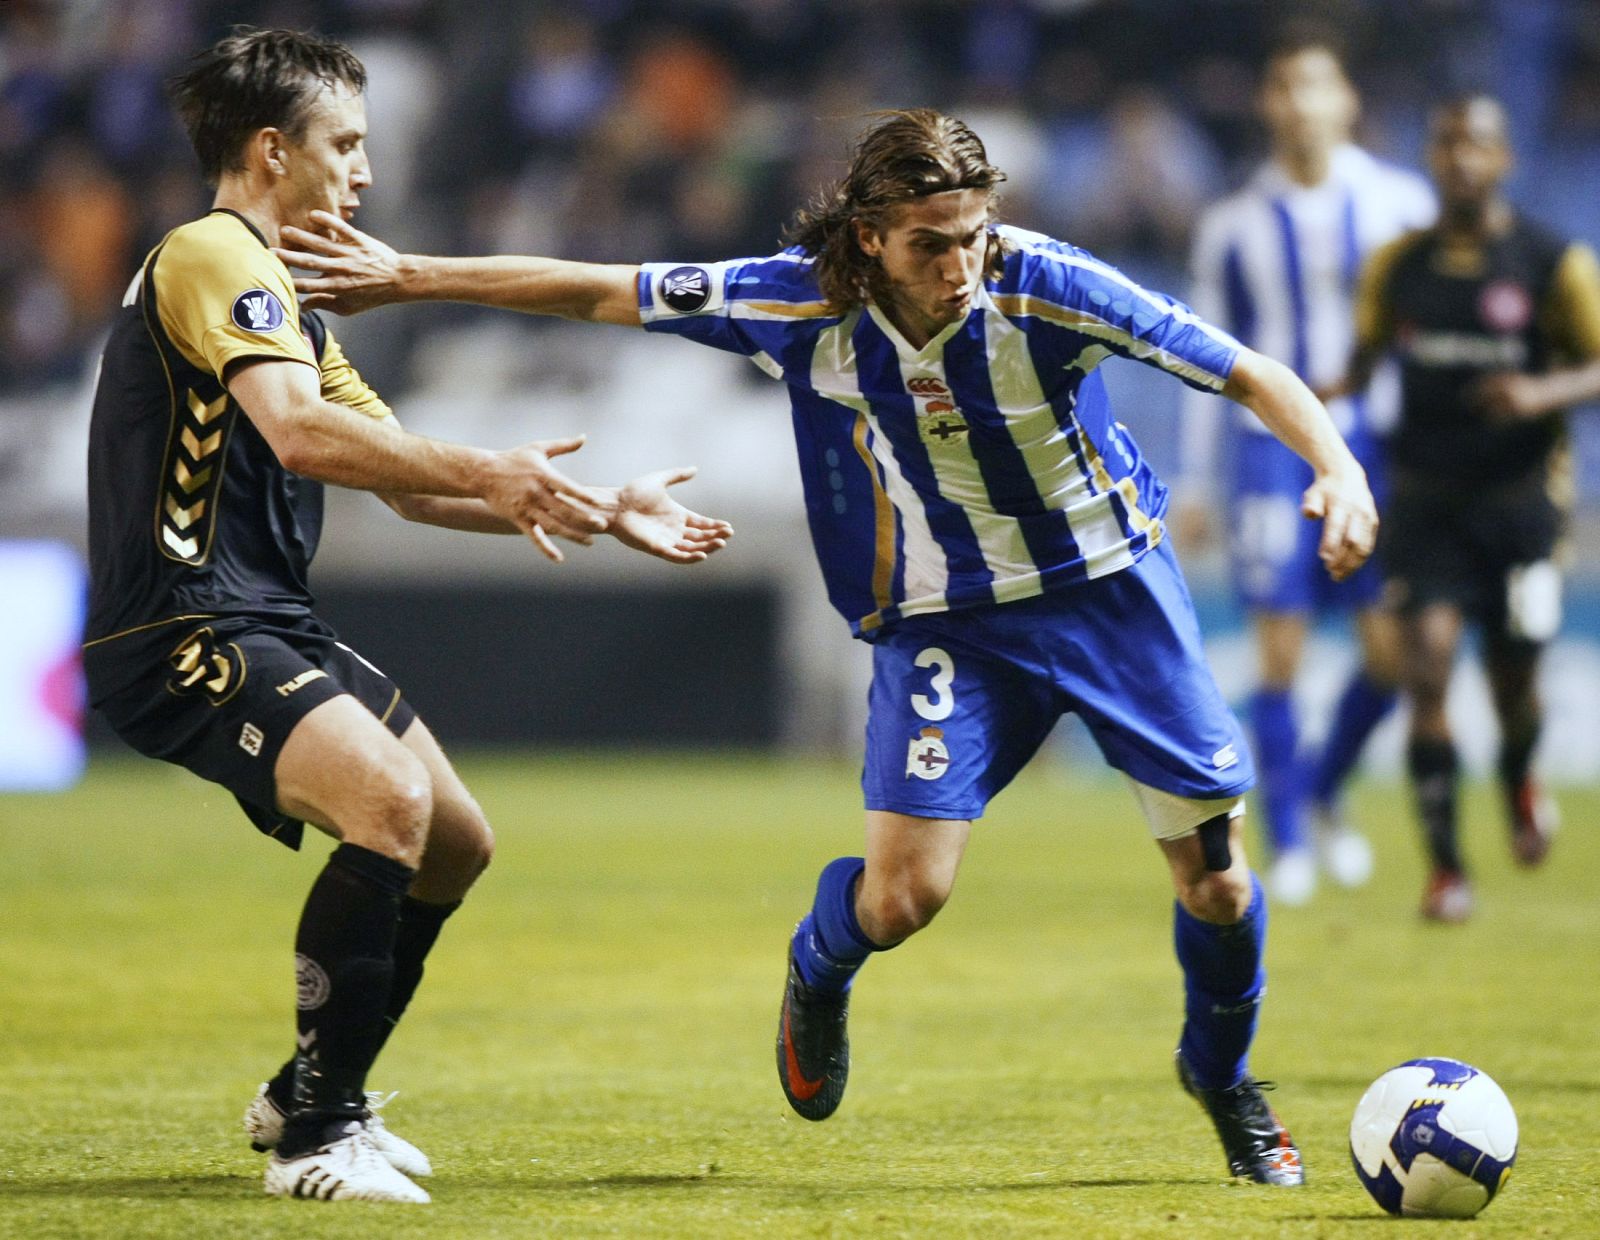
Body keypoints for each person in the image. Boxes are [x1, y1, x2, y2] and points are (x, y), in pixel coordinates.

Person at [276, 108, 1382, 1186]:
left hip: (1112, 597)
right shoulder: (792, 299)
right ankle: (819, 963)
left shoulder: (1046, 283)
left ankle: (1223, 1077)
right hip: (946, 617)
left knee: (1218, 894)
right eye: (932, 244)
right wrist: (412, 274)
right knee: (902, 899)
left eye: (974, 236)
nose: (961, 266)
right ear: (869, 238)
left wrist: (1335, 469)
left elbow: (1248, 372)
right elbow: (597, 287)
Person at [82, 28, 731, 1205]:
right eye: (347, 145)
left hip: (268, 616)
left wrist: (594, 506)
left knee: (455, 841)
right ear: (272, 150)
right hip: (180, 625)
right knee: (390, 800)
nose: (365, 173)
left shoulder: (293, 309)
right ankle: (313, 1139)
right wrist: (492, 466)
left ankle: (304, 1085)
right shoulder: (211, 253)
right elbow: (297, 432)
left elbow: (397, 479)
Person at [1175, 32, 1435, 906]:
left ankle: (1321, 791)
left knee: (1390, 654)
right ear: (1267, 105)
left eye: (1315, 86)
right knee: (1278, 645)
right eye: (1283, 87)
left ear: (1346, 101)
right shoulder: (1234, 224)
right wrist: (1199, 481)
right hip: (1265, 456)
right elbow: (1204, 358)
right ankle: (1286, 839)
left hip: (1381, 446)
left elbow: (1428, 337)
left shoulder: (1402, 207)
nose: (1299, 104)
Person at [1333, 94, 1600, 922]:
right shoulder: (1397, 266)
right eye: (1446, 142)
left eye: (1477, 143)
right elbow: (1360, 363)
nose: (1460, 158)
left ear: (1505, 158)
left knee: (1515, 682)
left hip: (1522, 506)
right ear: (1431, 156)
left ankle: (1519, 774)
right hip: (1427, 502)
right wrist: (1298, 405)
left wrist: (1539, 390)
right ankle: (1447, 872)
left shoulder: (1552, 261)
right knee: (1428, 673)